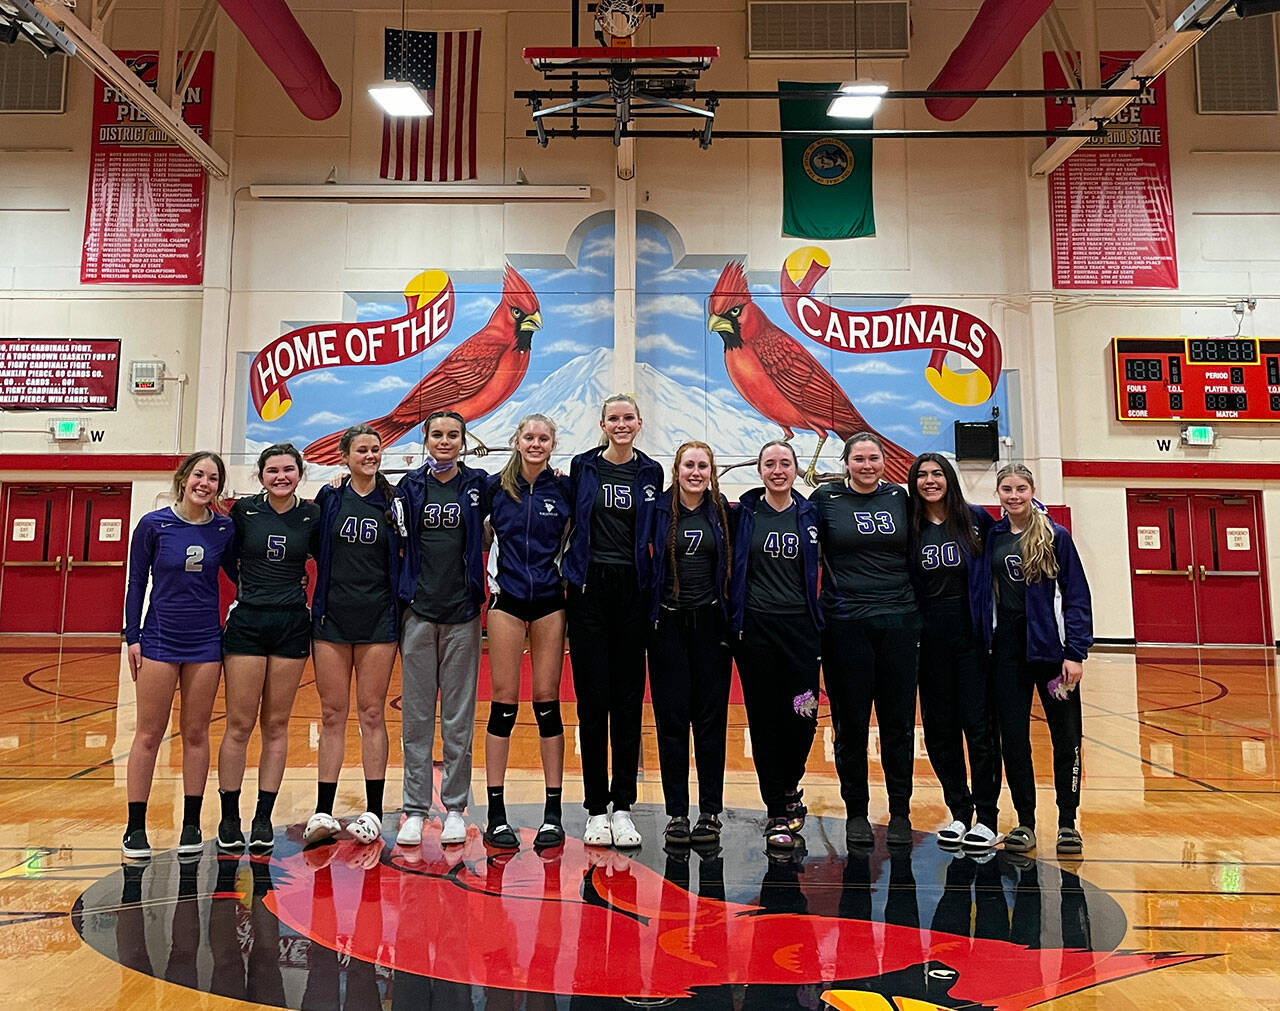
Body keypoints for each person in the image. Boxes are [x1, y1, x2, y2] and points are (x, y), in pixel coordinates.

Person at [121, 452, 235, 859]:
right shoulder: (153, 525)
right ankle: (135, 827)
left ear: (219, 487)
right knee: (149, 733)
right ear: (184, 478)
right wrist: (131, 635)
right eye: (199, 475)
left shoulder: (224, 528)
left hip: (205, 641)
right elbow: (136, 582)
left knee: (196, 733)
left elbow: (243, 576)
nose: (205, 483)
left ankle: (190, 824)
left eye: (213, 478)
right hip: (158, 639)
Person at [810, 431, 920, 849]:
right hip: (844, 626)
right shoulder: (825, 500)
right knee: (850, 725)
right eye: (859, 458)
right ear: (846, 462)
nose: (867, 465)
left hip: (898, 622)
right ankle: (856, 811)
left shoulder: (900, 499)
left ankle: (900, 812)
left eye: (874, 458)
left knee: (897, 726)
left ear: (883, 461)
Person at [976, 463, 1093, 855]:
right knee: (1013, 739)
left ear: (1031, 490)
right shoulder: (992, 537)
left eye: (1021, 488)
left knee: (1066, 738)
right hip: (1007, 654)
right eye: (1006, 489)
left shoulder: (1055, 537)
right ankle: (1025, 820)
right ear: (998, 494)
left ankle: (1067, 822)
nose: (1013, 495)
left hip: (1051, 655)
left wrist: (1075, 653)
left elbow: (1076, 597)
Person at [563, 393, 662, 848]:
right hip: (588, 591)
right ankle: (595, 809)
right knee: (592, 700)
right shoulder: (582, 467)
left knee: (627, 700)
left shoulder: (651, 472)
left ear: (639, 423)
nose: (621, 424)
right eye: (613, 418)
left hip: (632, 591)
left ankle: (623, 806)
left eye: (628, 418)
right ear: (601, 424)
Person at [304, 425, 406, 848]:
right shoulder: (330, 498)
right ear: (344, 456)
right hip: (332, 618)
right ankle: (323, 810)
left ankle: (374, 811)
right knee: (331, 714)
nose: (369, 455)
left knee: (371, 713)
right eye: (361, 449)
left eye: (375, 449)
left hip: (379, 619)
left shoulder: (393, 500)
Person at [217, 443, 320, 853]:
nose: (281, 476)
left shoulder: (311, 515)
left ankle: (262, 818)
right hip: (248, 623)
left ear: (299, 473)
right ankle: (229, 817)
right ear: (260, 476)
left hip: (292, 624)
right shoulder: (243, 513)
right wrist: (251, 588)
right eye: (273, 470)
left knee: (276, 725)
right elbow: (226, 559)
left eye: (288, 470)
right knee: (239, 725)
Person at [395, 410, 488, 847]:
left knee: (457, 719)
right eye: (438, 434)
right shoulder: (409, 487)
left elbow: (518, 492)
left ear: (463, 441)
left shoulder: (478, 485)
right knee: (416, 717)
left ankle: (454, 807)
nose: (445, 441)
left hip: (463, 614)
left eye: (453, 435)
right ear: (425, 439)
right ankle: (414, 808)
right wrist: (336, 482)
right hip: (418, 612)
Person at [481, 414, 572, 850]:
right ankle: (496, 813)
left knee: (546, 702)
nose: (536, 443)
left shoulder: (564, 488)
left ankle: (552, 812)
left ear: (553, 443)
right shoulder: (494, 488)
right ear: (516, 440)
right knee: (503, 703)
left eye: (544, 437)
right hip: (508, 600)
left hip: (551, 601)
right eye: (529, 436)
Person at [727, 440, 822, 851]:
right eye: (770, 463)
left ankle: (789, 784)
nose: (777, 470)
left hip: (801, 628)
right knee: (765, 720)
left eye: (785, 463)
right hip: (756, 630)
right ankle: (776, 809)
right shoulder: (743, 514)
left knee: (803, 715)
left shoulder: (811, 514)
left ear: (796, 469)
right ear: (760, 470)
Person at [905, 452, 1001, 851]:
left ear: (950, 479)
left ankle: (988, 817)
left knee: (979, 730)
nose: (930, 481)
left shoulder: (976, 520)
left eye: (937, 474)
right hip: (929, 646)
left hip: (973, 644)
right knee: (941, 732)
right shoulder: (909, 527)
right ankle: (959, 812)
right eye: (922, 475)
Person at [649, 441, 732, 847]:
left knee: (711, 721)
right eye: (688, 465)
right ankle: (678, 813)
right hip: (668, 624)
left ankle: (711, 812)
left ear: (711, 470)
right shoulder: (659, 510)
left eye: (703, 465)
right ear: (676, 469)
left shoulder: (724, 513)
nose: (695, 472)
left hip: (712, 625)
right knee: (672, 722)